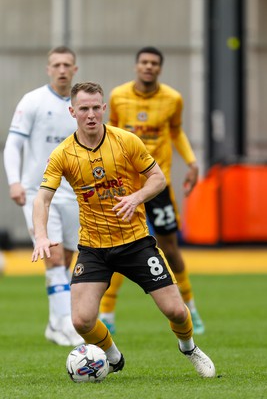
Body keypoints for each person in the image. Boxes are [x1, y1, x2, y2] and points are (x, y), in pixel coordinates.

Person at [31, 81, 215, 378]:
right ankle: (114, 357)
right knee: (81, 320)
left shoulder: (126, 141)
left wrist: (136, 196)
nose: (90, 114)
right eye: (83, 109)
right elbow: (42, 198)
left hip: (135, 242)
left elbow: (157, 178)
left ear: (103, 109)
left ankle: (189, 348)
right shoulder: (63, 154)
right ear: (72, 111)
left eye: (95, 108)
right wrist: (40, 235)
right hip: (93, 248)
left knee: (177, 312)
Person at [99, 46, 205, 335]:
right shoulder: (119, 96)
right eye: (144, 62)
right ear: (136, 66)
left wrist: (192, 161)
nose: (148, 67)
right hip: (126, 186)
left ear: (160, 68)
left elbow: (176, 131)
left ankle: (190, 309)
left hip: (159, 183)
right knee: (117, 245)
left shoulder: (173, 99)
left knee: (170, 247)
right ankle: (107, 313)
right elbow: (111, 134)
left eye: (154, 63)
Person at [3, 46, 83, 346]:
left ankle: (55, 323)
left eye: (67, 65)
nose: (62, 69)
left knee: (70, 260)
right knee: (54, 256)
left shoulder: (81, 106)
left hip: (73, 194)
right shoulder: (33, 101)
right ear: (48, 68)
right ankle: (65, 324)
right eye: (56, 64)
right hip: (39, 192)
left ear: (75, 69)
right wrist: (15, 182)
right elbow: (13, 145)